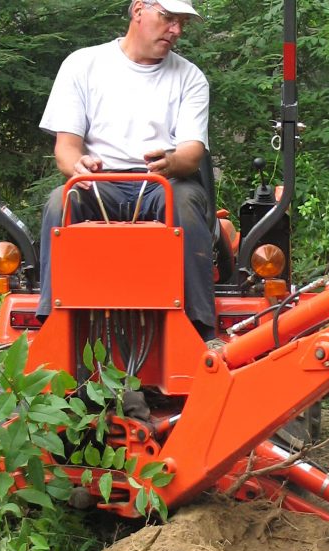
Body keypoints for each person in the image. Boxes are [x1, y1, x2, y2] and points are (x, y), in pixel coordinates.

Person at [35, 0, 215, 340]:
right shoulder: (83, 65)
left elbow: (191, 152)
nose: (176, 30)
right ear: (138, 11)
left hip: (163, 182)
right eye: (168, 18)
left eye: (182, 23)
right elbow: (66, 148)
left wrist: (171, 161)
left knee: (186, 203)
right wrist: (79, 165)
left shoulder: (190, 77)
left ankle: (200, 328)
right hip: (98, 182)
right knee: (61, 203)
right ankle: (52, 322)